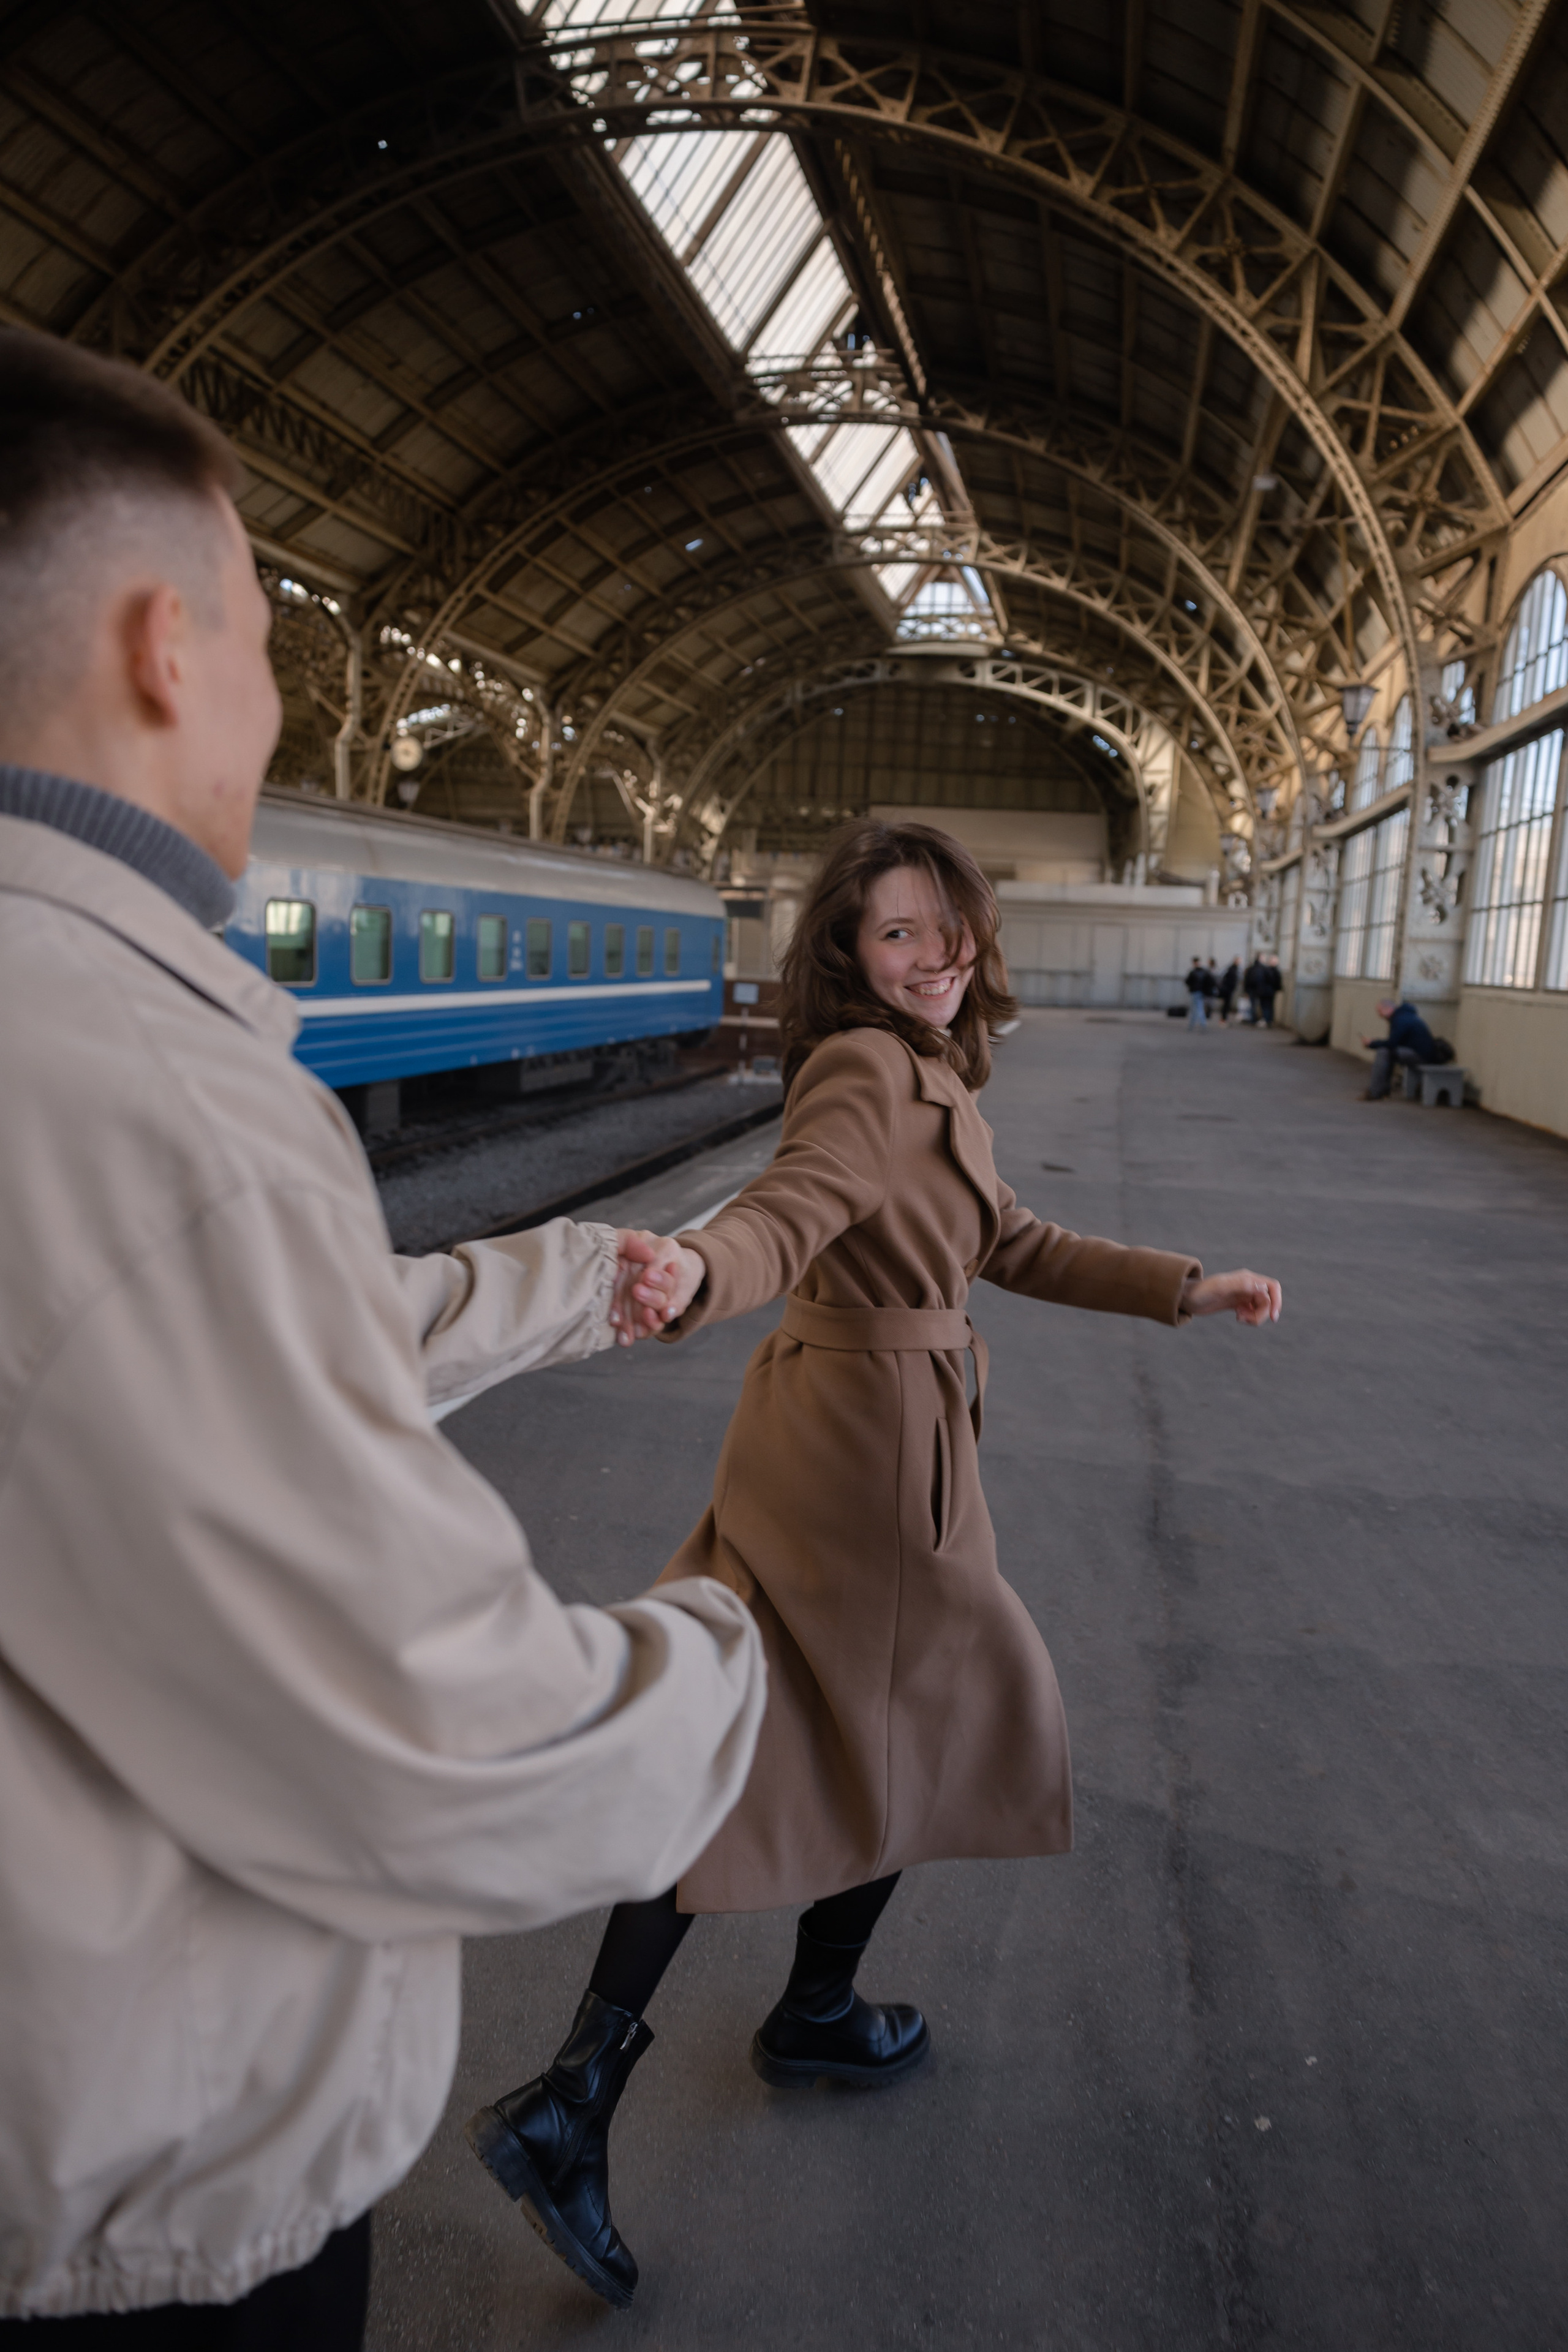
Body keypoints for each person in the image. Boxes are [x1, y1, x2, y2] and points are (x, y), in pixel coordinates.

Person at [0, 331, 766, 2341]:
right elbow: (439, 1746)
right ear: (169, 646)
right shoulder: (144, 1088)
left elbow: (143, 1365)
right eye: (267, 644)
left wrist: (567, 1278)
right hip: (119, 2230)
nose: (274, 711)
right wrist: (736, 1664)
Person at [466, 820, 1283, 2309]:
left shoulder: (935, 1072)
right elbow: (790, 1210)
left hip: (848, 1435)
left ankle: (628, 2074)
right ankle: (733, 2039)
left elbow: (1009, 1240)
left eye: (947, 927)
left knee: (776, 1733)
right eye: (898, 932)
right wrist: (697, 1268)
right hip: (867, 1462)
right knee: (927, 1719)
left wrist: (1182, 1286)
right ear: (847, 949)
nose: (933, 954)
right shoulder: (863, 1070)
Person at [1361, 996, 1451, 1098]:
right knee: (1387, 1053)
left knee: (1383, 1052)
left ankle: (1375, 1091)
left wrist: (1372, 1043)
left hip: (1422, 1056)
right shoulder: (1404, 1016)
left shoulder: (1401, 1019)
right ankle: (1382, 1089)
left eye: (1380, 1011)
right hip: (1423, 1054)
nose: (1379, 1015)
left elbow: (1392, 1043)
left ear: (1388, 1009)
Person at [1185, 955, 1212, 1028]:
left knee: (1197, 1008)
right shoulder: (1204, 972)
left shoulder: (1193, 972)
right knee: (1198, 1007)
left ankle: (1200, 1023)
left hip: (1195, 992)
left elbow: (1187, 981)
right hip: (1202, 992)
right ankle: (1197, 1023)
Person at [1216, 957, 1240, 1023]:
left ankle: (1224, 1019)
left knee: (1227, 1005)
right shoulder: (1230, 969)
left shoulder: (1236, 969)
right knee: (1226, 1005)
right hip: (1227, 989)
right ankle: (1223, 1019)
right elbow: (1221, 976)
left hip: (1230, 989)